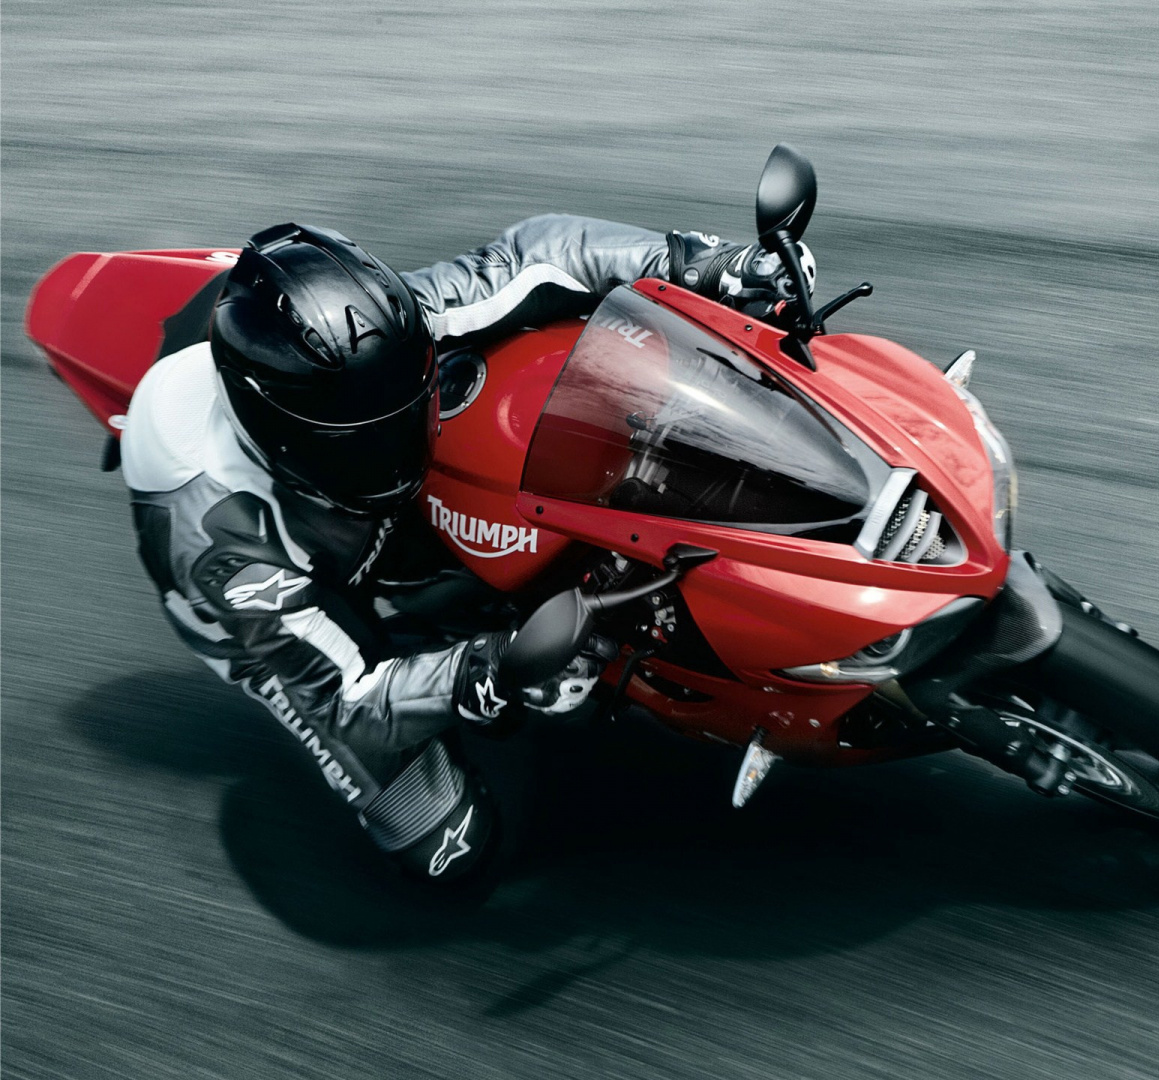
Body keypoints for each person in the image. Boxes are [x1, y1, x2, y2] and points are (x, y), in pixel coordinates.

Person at [117, 216, 812, 884]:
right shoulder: (224, 543)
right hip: (281, 613)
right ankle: (438, 652)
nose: (397, 444)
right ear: (287, 434)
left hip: (357, 509)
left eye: (404, 402)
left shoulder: (378, 343)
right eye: (364, 437)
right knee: (450, 850)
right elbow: (349, 703)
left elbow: (534, 255)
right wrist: (481, 675)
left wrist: (703, 263)